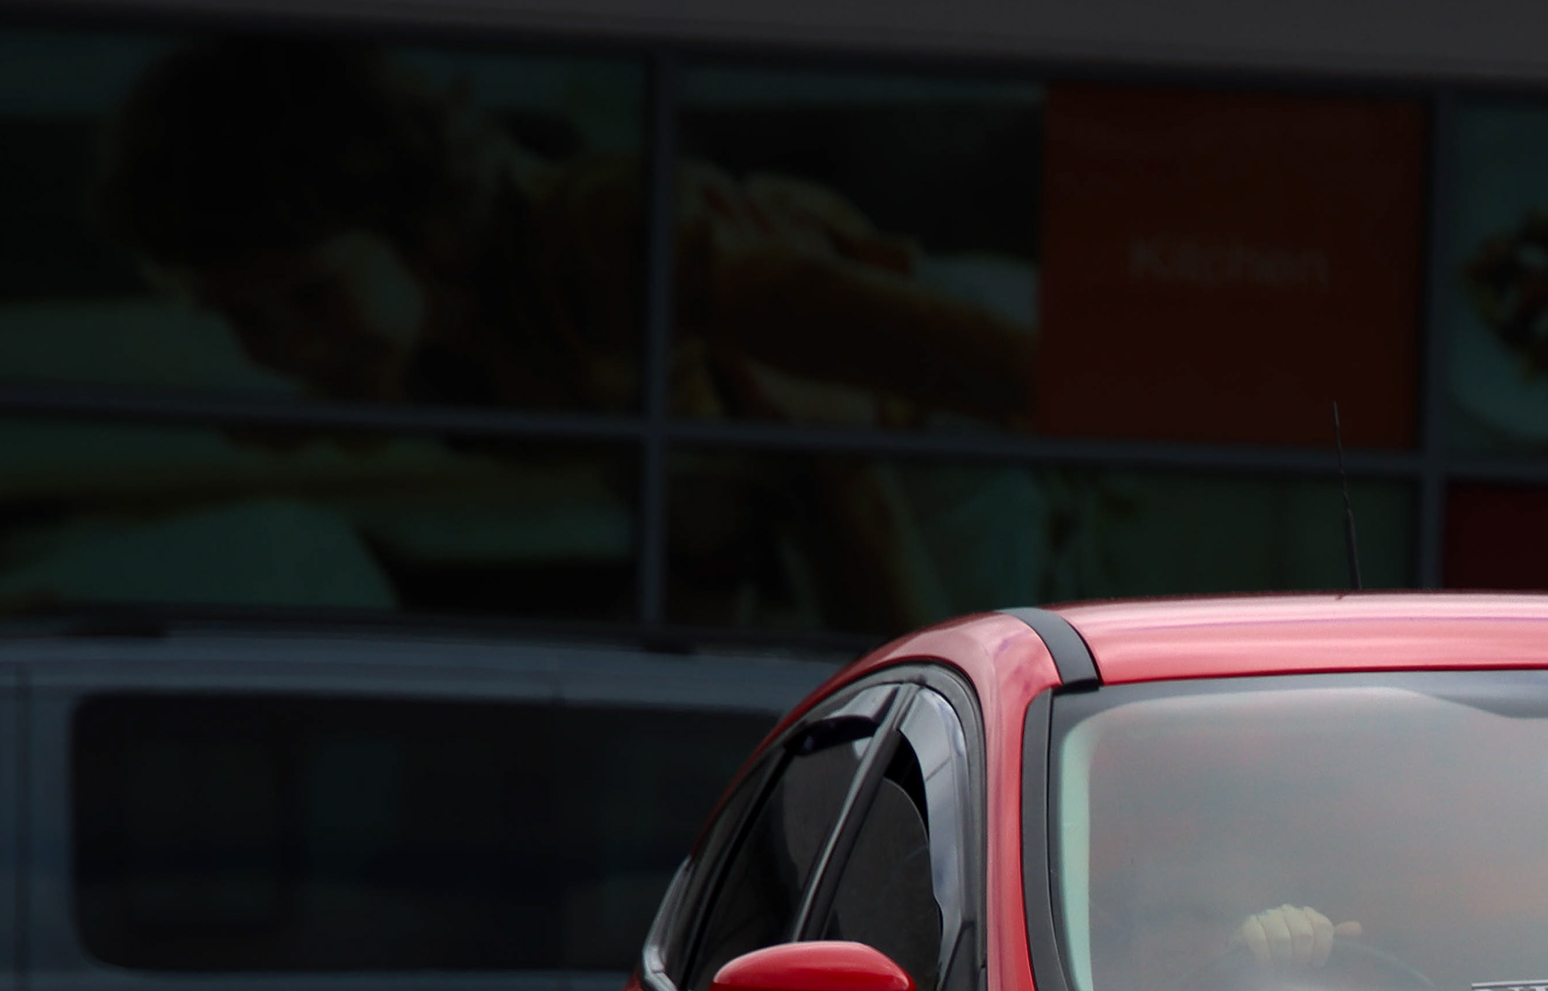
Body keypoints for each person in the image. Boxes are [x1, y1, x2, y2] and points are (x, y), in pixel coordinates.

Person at [93, 36, 1035, 629]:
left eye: (310, 296)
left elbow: (962, 374)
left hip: (930, 398)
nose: (286, 348)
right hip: (802, 475)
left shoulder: (612, 241)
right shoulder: (445, 359)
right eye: (238, 318)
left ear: (415, 222)